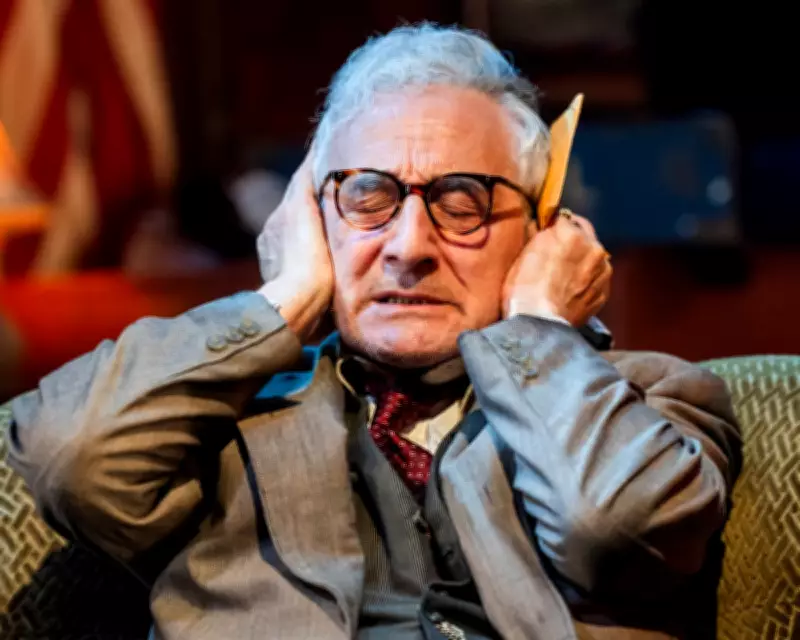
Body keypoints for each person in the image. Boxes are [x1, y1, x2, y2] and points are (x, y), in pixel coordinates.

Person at [7, 24, 741, 640]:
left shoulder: (651, 405)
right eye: (367, 196)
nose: (408, 247)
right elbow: (69, 457)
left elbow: (615, 527)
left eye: (463, 201)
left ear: (540, 227)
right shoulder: (214, 421)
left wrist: (539, 328)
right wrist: (285, 300)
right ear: (311, 219)